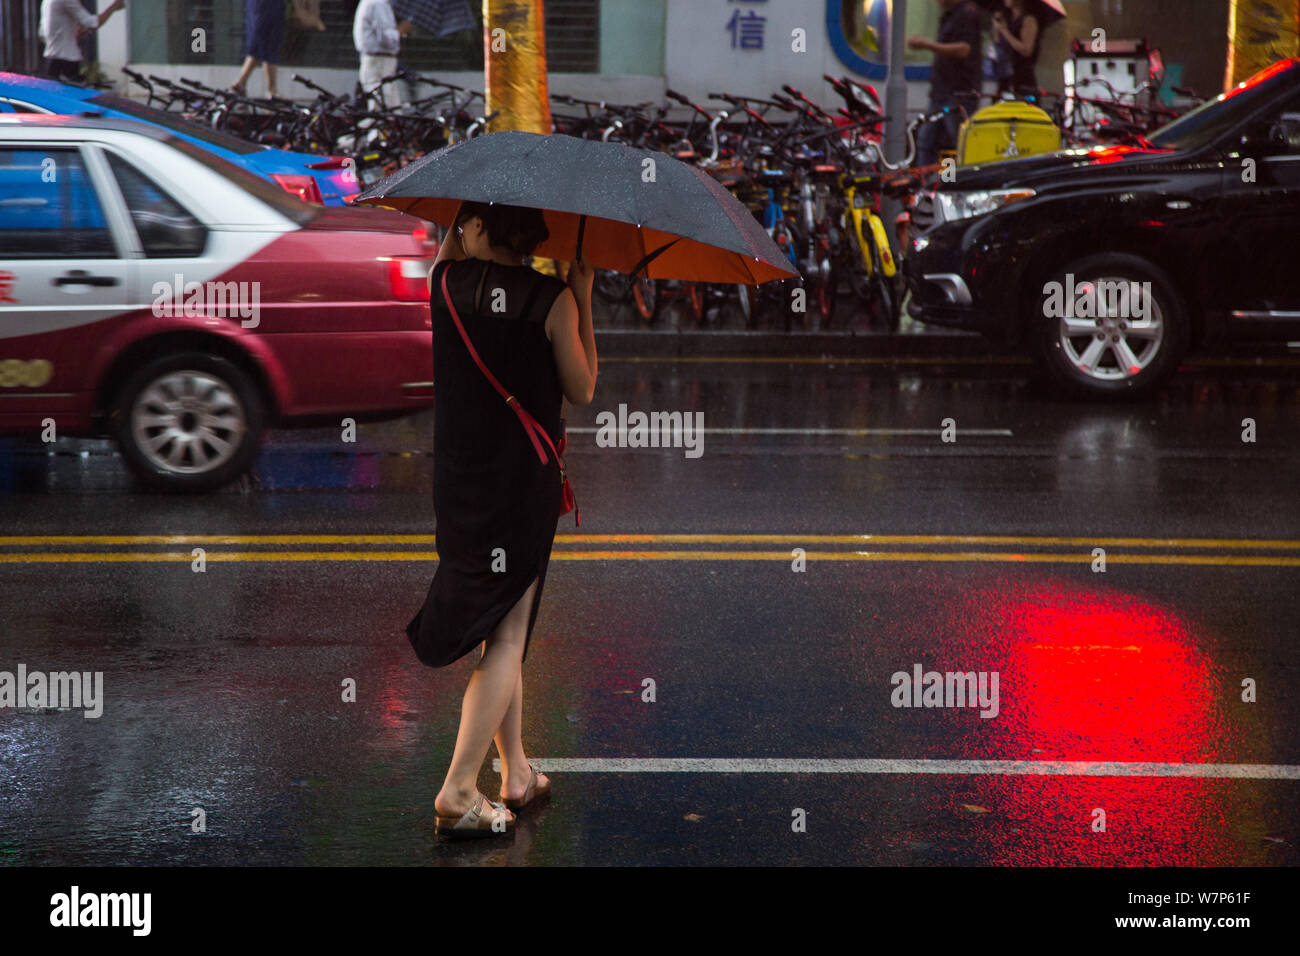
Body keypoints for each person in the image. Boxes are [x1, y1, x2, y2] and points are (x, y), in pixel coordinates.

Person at [410, 201, 597, 838]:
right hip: (521, 489)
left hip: (460, 487)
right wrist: (584, 296)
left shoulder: (444, 287)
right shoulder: (551, 302)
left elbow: (448, 254)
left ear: (483, 230)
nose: (459, 230)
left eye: (467, 221)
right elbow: (583, 387)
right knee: (510, 636)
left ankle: (514, 772)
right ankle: (459, 789)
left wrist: (459, 226)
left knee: (499, 630)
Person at [908, 0, 983, 168]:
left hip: (958, 93)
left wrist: (927, 45)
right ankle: (930, 182)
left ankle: (950, 182)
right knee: (928, 141)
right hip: (941, 90)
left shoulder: (967, 14)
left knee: (952, 143)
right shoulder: (949, 15)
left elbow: (964, 49)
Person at [39, 0, 125, 82]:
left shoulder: (47, 2)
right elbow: (93, 23)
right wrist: (114, 6)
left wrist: (70, 37)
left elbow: (42, 34)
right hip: (67, 61)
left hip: (51, 60)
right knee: (74, 94)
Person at [353, 0, 413, 107]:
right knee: (380, 110)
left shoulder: (381, 4)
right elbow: (385, 38)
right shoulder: (377, 4)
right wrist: (401, 31)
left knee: (391, 109)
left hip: (381, 63)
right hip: (379, 63)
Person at [232, 0, 284, 97]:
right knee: (266, 45)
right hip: (268, 6)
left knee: (264, 46)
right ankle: (270, 90)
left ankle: (270, 89)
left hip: (257, 5)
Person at [992, 0, 1041, 97]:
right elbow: (998, 44)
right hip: (1006, 75)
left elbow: (1026, 50)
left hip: (1022, 77)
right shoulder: (1008, 19)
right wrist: (997, 27)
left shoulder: (1029, 20)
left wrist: (1005, 32)